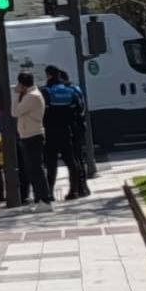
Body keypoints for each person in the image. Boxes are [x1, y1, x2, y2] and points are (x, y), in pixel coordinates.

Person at [41, 66, 87, 200]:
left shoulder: (45, 91)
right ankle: (75, 191)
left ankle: (49, 193)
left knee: (51, 164)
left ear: (49, 76)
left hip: (50, 132)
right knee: (72, 162)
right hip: (67, 131)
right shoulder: (70, 91)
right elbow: (78, 109)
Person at [14, 72, 52, 206]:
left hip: (32, 135)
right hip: (29, 135)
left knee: (36, 168)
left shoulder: (31, 97)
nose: (17, 86)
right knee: (34, 169)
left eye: (19, 84)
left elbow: (15, 112)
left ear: (23, 85)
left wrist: (16, 94)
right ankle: (40, 199)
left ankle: (44, 199)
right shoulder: (31, 94)